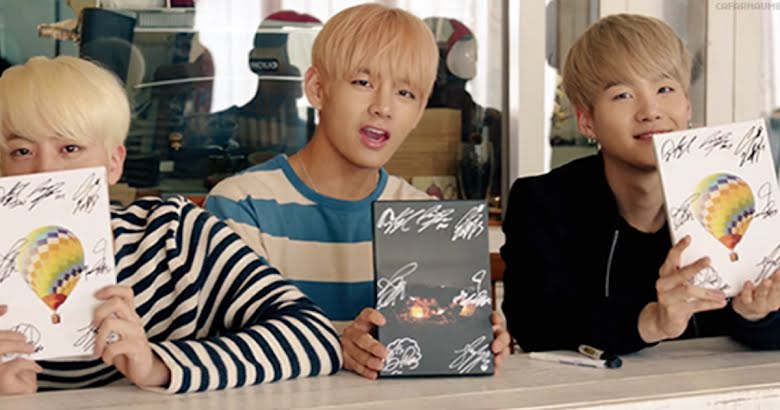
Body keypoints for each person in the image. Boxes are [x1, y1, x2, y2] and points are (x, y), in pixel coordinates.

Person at [0, 56, 341, 395]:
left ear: (114, 163)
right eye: (21, 152)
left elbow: (313, 336)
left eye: (70, 148)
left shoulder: (171, 233)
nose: (44, 171)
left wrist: (157, 365)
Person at [206, 4, 511, 380]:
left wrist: (472, 341)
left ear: (418, 113)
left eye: (404, 92)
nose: (383, 107)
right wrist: (339, 349)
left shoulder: (426, 215)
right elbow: (228, 353)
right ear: (318, 89)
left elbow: (430, 350)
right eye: (363, 83)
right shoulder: (241, 205)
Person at [501, 14, 780, 355]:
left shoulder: (735, 192)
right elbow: (535, 326)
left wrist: (756, 314)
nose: (650, 111)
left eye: (665, 90)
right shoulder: (543, 202)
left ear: (687, 106)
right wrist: (651, 322)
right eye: (623, 95)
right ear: (586, 121)